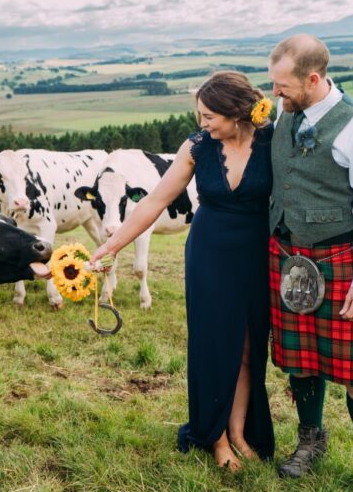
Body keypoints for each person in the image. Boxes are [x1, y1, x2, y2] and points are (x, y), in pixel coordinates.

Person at [90, 71, 275, 471]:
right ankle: (216, 437)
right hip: (208, 254)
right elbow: (154, 201)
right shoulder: (196, 148)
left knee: (247, 347)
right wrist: (111, 244)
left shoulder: (272, 141)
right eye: (200, 115)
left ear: (237, 111)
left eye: (209, 116)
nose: (202, 123)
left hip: (256, 256)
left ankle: (240, 431)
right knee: (213, 346)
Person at [267, 34, 353, 492]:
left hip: (340, 261)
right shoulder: (285, 113)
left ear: (313, 79)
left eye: (282, 85)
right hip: (287, 257)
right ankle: (311, 440)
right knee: (301, 364)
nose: (275, 93)